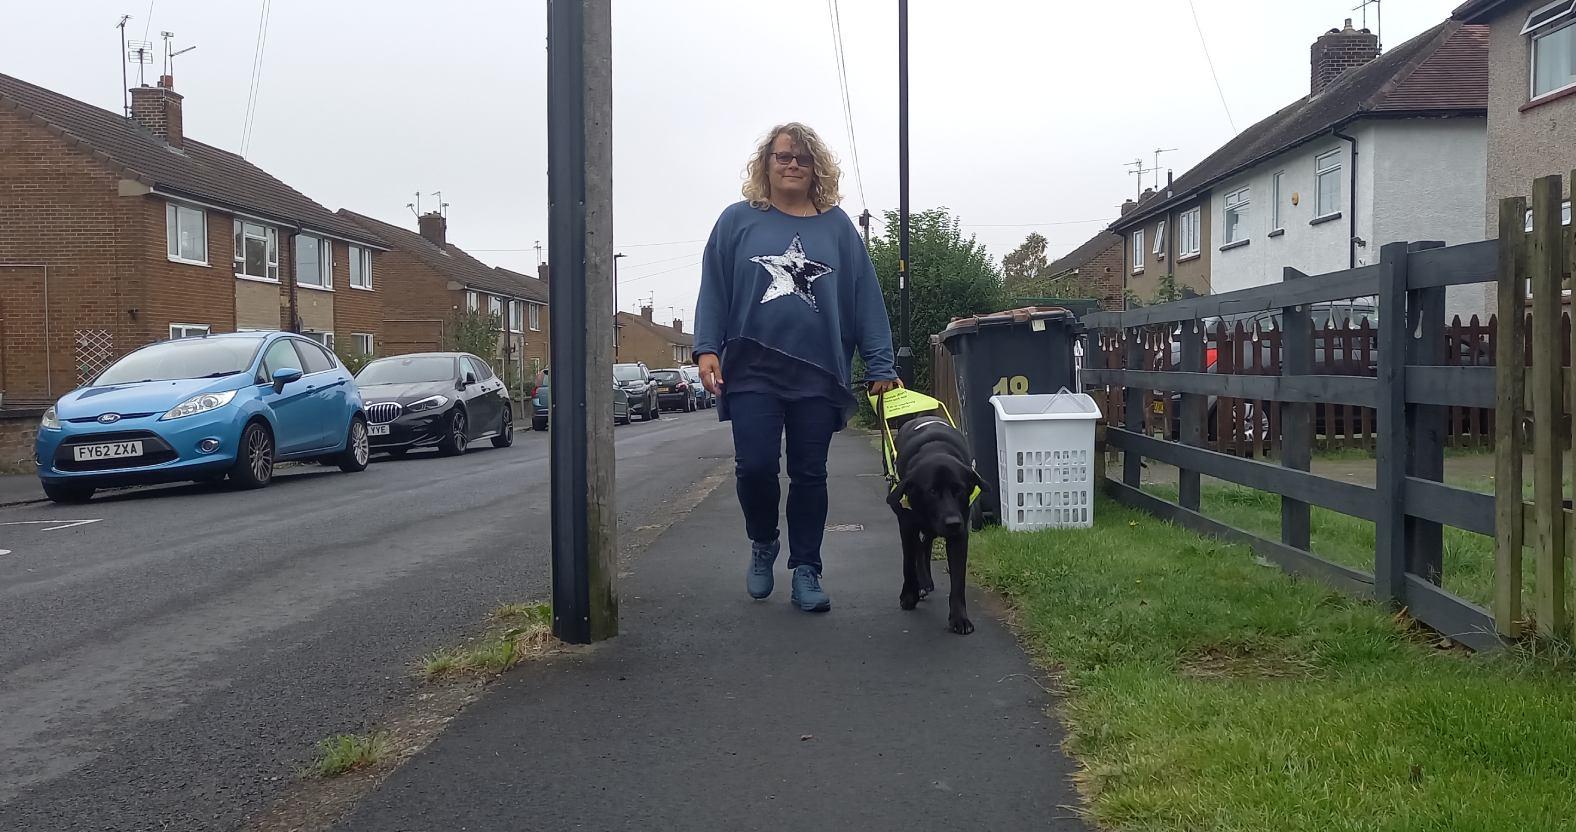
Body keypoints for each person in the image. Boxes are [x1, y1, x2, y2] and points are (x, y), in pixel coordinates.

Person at [693, 122, 900, 614]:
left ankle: (807, 568)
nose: (791, 165)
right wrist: (705, 348)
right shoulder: (736, 222)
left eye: (802, 159)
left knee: (810, 473)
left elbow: (865, 299)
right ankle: (763, 543)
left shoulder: (837, 228)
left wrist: (880, 363)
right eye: (783, 157)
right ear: (766, 164)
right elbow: (714, 289)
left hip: (817, 372)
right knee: (757, 466)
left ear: (815, 170)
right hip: (751, 369)